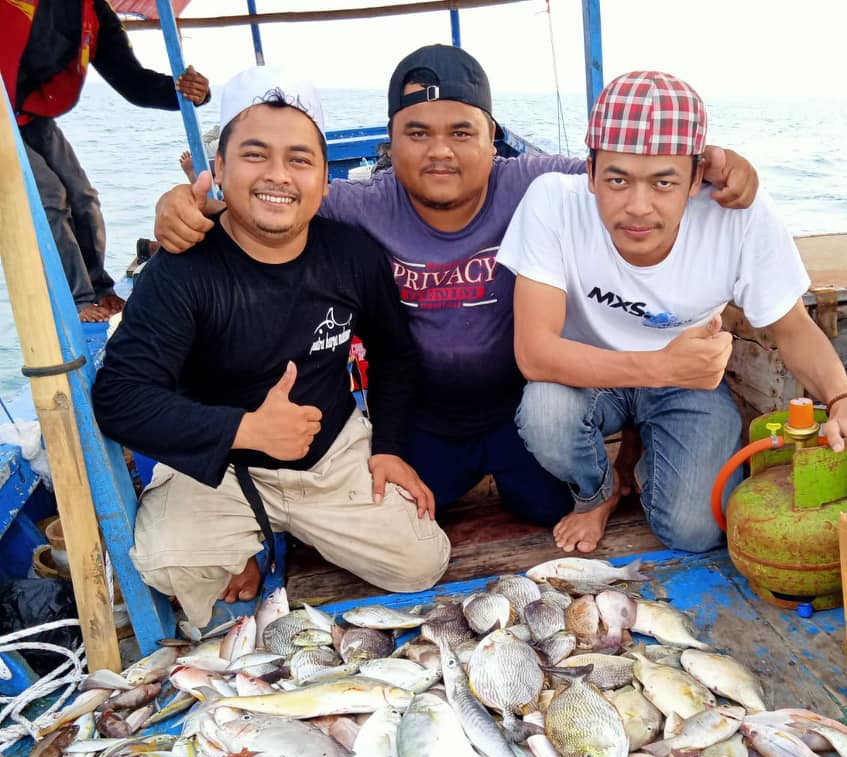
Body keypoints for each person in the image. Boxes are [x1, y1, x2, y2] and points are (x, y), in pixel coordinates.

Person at [153, 45, 760, 529]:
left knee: (548, 507)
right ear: (390, 143)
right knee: (406, 519)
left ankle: (623, 467)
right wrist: (183, 204)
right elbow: (276, 200)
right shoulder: (360, 205)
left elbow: (633, 171)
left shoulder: (534, 181)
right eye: (417, 133)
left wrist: (721, 162)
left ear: (493, 137)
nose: (440, 151)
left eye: (462, 132)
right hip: (424, 418)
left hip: (516, 411)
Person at [92, 65, 450, 628]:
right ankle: (253, 541)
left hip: (329, 456)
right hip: (222, 468)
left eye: (301, 159)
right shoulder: (180, 271)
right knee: (165, 564)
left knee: (422, 563)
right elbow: (118, 397)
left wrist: (389, 447)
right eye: (255, 155)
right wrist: (244, 429)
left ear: (325, 180)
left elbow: (395, 354)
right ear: (219, 170)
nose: (278, 176)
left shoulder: (352, 254)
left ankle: (282, 537)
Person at [496, 70, 847, 555]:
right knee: (545, 412)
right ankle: (597, 491)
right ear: (590, 170)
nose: (638, 207)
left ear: (695, 178)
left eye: (664, 182)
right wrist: (659, 364)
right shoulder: (552, 202)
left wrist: (843, 398)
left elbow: (792, 328)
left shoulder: (741, 217)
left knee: (696, 530)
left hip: (686, 382)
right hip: (590, 374)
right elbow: (535, 354)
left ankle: (641, 460)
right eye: (617, 179)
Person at [0, 0, 211, 322]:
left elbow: (133, 82)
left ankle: (99, 290)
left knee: (84, 199)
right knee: (50, 199)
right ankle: (78, 301)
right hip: (3, 117)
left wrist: (184, 92)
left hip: (33, 118)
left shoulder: (93, 13)